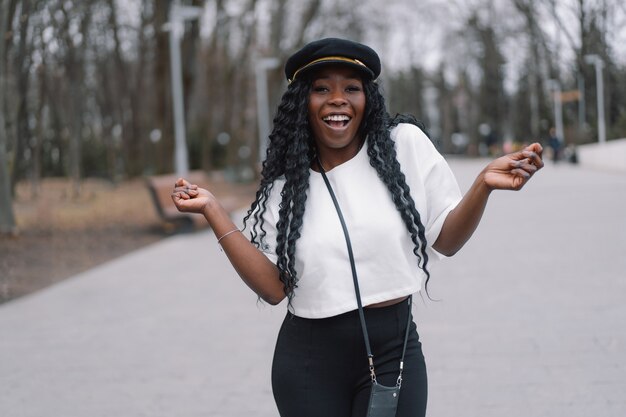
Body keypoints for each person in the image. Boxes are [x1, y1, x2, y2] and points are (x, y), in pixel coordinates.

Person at [171, 38, 543, 417]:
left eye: (351, 87)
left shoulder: (405, 147)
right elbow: (272, 289)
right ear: (303, 102)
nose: (337, 98)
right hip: (308, 364)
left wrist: (482, 185)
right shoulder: (285, 188)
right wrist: (214, 211)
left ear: (368, 99)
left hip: (392, 354)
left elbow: (446, 241)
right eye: (321, 89)